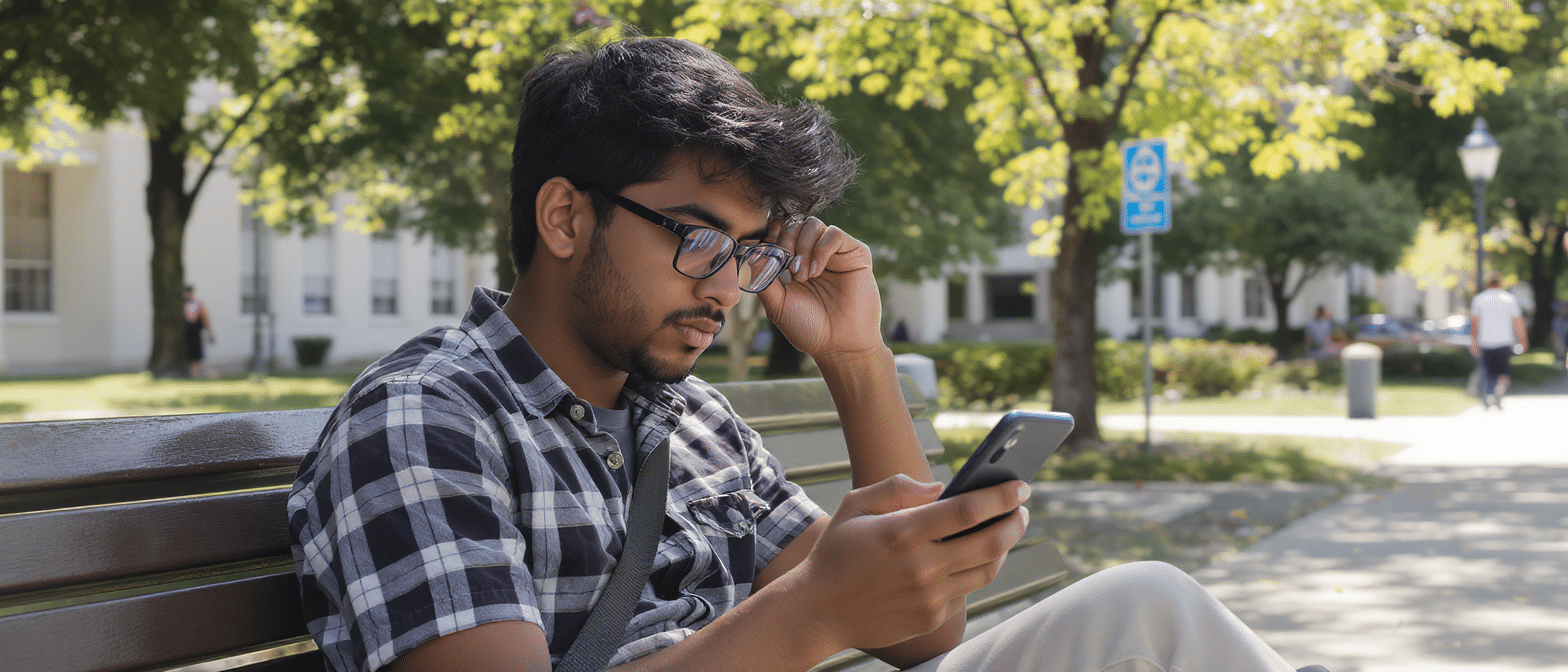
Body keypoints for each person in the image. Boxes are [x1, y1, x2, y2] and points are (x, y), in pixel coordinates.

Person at [288, 37, 1312, 672]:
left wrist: (855, 359)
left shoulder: (688, 422)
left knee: (1143, 610)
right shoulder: (425, 422)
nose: (725, 286)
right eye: (694, 239)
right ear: (563, 216)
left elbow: (920, 636)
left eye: (742, 251)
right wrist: (816, 608)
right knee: (1149, 620)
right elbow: (834, 613)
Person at [1470, 271, 1529, 410]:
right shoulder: (1509, 299)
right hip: (1504, 342)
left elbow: (1474, 324)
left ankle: (1490, 394)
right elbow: (1518, 323)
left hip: (1485, 342)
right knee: (1504, 373)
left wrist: (1474, 342)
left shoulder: (1479, 299)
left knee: (1488, 372)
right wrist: (1523, 342)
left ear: (1486, 283)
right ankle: (1499, 392)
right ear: (1500, 282)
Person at [182, 285, 214, 378]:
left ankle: (194, 374)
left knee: (195, 354)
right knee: (189, 354)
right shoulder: (183, 304)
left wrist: (210, 332)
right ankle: (191, 374)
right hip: (186, 332)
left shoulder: (197, 304)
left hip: (195, 332)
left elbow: (205, 318)